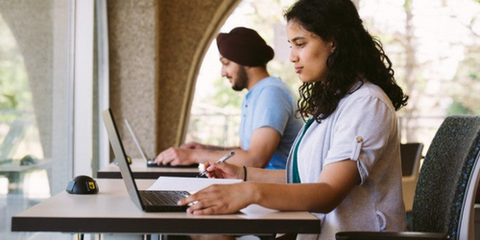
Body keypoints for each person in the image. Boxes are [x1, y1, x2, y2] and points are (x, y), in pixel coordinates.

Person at [177, 0, 409, 239]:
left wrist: (249, 191)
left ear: (334, 42)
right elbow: (308, 178)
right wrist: (241, 175)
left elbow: (328, 192)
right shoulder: (335, 102)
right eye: (291, 45)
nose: (291, 57)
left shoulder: (367, 103)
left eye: (300, 44)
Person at [155, 27, 303, 170]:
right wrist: (206, 149)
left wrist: (192, 155)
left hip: (277, 190)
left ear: (245, 60)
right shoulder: (255, 95)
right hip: (260, 187)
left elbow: (255, 160)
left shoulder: (271, 93)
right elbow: (245, 152)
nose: (223, 73)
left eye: (226, 63)